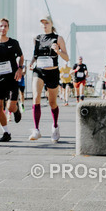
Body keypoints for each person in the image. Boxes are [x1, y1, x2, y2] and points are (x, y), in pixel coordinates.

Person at [28, 15, 69, 143]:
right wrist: (31, 62)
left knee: (52, 102)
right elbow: (35, 55)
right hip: (39, 71)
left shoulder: (58, 38)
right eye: (42, 23)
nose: (44, 25)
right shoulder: (37, 38)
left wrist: (58, 51)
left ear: (51, 24)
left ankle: (55, 126)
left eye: (47, 23)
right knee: (36, 97)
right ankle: (36, 129)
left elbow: (66, 58)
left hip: (52, 72)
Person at [0, 18, 24, 143]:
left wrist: (20, 68)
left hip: (12, 78)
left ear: (8, 28)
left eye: (5, 26)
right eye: (1, 26)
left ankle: (16, 110)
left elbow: (21, 56)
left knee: (10, 107)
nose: (3, 28)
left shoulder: (14, 43)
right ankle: (6, 132)